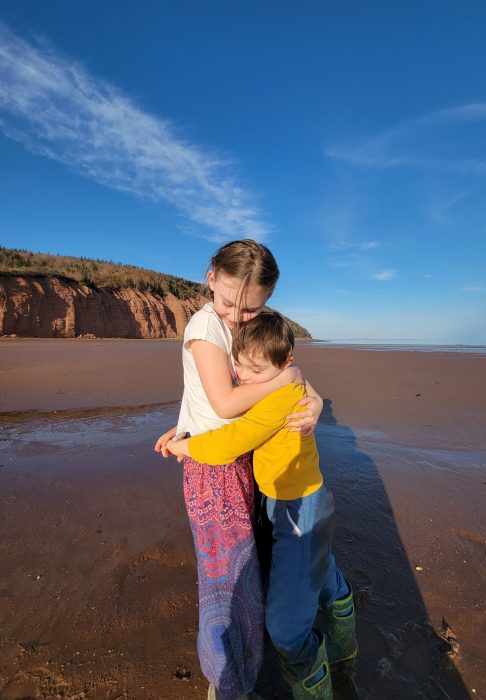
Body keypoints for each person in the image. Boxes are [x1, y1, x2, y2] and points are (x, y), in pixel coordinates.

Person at [154, 240, 322, 700]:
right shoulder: (206, 327)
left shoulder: (243, 326)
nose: (234, 316)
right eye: (228, 301)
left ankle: (247, 664)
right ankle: (226, 681)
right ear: (211, 278)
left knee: (249, 567)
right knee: (225, 582)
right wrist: (290, 381)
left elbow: (269, 365)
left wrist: (313, 394)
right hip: (213, 466)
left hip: (239, 461)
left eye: (249, 310)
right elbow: (227, 403)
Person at [165, 311, 357, 700]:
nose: (241, 377)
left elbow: (230, 441)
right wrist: (186, 424)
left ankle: (315, 671)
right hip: (287, 499)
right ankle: (342, 623)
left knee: (286, 629)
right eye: (237, 365)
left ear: (283, 364)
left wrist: (183, 446)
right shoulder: (276, 380)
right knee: (312, 561)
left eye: (253, 370)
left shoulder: (280, 396)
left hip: (300, 508)